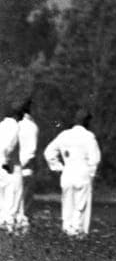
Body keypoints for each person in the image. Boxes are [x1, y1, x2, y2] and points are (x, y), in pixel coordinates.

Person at [44, 109, 102, 237]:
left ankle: (67, 234)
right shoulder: (88, 136)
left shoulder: (64, 135)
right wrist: (91, 174)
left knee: (67, 207)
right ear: (87, 122)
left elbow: (49, 153)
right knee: (81, 208)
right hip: (83, 173)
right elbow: (95, 159)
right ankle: (78, 236)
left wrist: (58, 167)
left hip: (68, 173)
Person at [0, 98, 36, 235]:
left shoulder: (2, 125)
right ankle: (9, 229)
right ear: (18, 114)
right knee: (13, 200)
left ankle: (4, 226)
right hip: (11, 168)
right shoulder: (15, 126)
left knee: (3, 201)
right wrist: (5, 161)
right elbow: (8, 146)